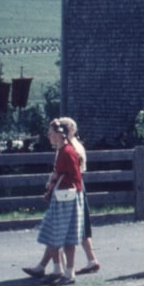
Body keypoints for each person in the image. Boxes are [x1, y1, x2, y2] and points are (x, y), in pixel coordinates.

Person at [23, 119, 84, 285]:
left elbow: (74, 176)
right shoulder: (61, 150)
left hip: (67, 197)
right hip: (62, 196)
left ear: (58, 134)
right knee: (53, 232)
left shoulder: (67, 151)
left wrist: (56, 178)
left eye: (50, 133)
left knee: (66, 235)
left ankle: (68, 272)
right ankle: (57, 269)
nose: (48, 136)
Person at [62, 118, 101, 275]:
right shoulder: (76, 144)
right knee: (82, 223)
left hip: (71, 187)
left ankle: (62, 266)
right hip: (78, 185)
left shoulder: (70, 147)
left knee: (66, 225)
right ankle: (92, 259)